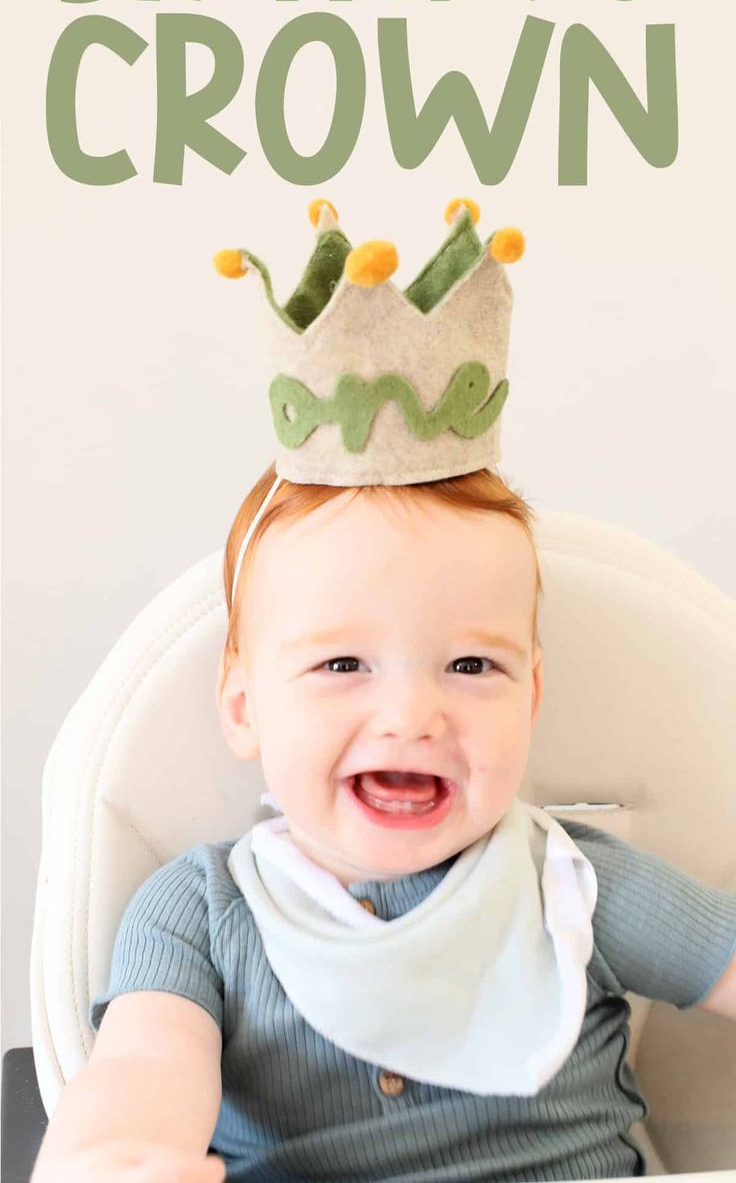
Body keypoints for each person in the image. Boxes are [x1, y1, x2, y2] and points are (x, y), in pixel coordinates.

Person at [31, 202, 736, 1183]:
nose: (411, 715)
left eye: (471, 665)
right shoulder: (201, 911)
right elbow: (145, 1065)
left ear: (530, 697)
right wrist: (116, 1157)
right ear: (243, 706)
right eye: (340, 665)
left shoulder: (575, 888)